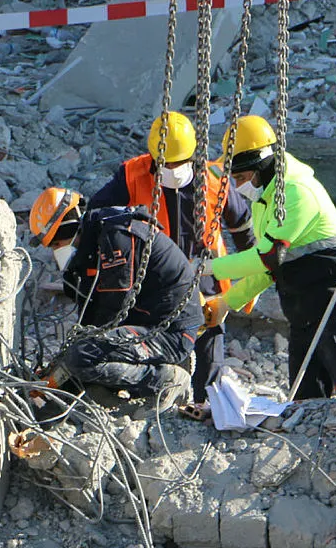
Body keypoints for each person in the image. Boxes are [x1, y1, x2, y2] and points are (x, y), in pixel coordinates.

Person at [87, 111, 254, 400]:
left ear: (194, 155)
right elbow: (97, 214)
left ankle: (207, 406)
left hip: (206, 280)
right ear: (154, 157)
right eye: (167, 164)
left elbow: (243, 229)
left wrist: (252, 280)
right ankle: (159, 403)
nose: (173, 169)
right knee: (160, 346)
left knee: (209, 348)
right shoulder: (132, 175)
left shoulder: (215, 179)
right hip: (157, 282)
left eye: (179, 163)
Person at [210, 117, 336, 399]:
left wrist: (207, 268)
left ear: (261, 166)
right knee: (305, 398)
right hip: (303, 310)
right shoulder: (265, 202)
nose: (238, 187)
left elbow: (266, 257)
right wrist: (228, 302)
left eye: (241, 177)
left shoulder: (297, 192)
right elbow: (271, 270)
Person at [28, 187, 200, 408]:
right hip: (143, 324)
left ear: (67, 230)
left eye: (56, 245)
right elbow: (88, 318)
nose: (56, 252)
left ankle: (166, 378)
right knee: (82, 358)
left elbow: (112, 311)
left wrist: (68, 367)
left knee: (83, 357)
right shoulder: (91, 245)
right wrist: (56, 372)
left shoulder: (117, 236)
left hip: (169, 333)